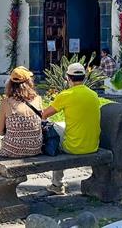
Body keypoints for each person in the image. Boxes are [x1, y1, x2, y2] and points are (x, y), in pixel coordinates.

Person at [41, 63, 101, 195]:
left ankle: (57, 184)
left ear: (68, 78)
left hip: (73, 147)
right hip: (93, 145)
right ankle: (57, 183)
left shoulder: (66, 94)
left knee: (52, 128)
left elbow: (44, 115)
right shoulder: (93, 95)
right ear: (84, 78)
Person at [0, 66, 43, 157]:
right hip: (35, 148)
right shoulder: (38, 99)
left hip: (12, 150)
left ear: (10, 83)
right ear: (29, 82)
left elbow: (0, 131)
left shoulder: (6, 102)